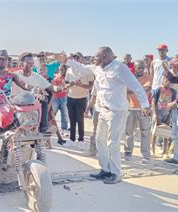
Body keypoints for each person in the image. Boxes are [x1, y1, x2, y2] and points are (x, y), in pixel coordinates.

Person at [60, 47, 150, 184]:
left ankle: (116, 173)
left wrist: (145, 105)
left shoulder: (120, 68)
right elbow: (83, 68)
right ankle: (105, 169)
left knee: (112, 142)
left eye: (96, 56)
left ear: (105, 56)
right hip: (102, 110)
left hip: (117, 111)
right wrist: (67, 60)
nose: (93, 59)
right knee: (99, 140)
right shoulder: (98, 68)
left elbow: (136, 86)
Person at [0, 49, 37, 166]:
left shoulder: (12, 75)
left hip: (6, 104)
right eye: (0, 59)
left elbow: (23, 84)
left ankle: (19, 148)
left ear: (7, 61)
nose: (2, 61)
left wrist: (34, 88)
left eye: (4, 59)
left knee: (21, 121)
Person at [11, 52, 63, 134]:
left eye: (32, 63)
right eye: (28, 63)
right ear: (20, 63)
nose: (31, 65)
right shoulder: (14, 76)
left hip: (31, 104)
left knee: (44, 98)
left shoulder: (36, 77)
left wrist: (60, 88)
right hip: (16, 105)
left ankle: (44, 127)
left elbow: (51, 87)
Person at [124, 60, 153, 163]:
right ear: (134, 68)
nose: (140, 70)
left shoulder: (148, 77)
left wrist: (134, 89)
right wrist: (138, 89)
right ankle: (128, 152)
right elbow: (125, 90)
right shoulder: (129, 78)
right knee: (129, 132)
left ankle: (146, 155)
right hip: (130, 108)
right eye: (138, 68)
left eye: (142, 68)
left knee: (145, 132)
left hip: (143, 108)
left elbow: (147, 88)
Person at [64, 52, 95, 150]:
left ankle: (81, 140)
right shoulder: (69, 70)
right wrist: (68, 86)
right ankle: (72, 140)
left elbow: (91, 86)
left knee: (80, 121)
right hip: (70, 98)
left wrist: (81, 85)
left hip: (81, 99)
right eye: (74, 57)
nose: (76, 59)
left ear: (82, 59)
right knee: (72, 120)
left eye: (78, 57)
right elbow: (66, 82)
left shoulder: (87, 70)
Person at [151, 77, 177, 157]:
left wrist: (169, 116)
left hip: (167, 113)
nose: (166, 82)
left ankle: (165, 151)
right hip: (158, 113)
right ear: (162, 80)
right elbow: (154, 103)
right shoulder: (158, 90)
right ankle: (153, 150)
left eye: (168, 80)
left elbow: (173, 105)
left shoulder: (173, 92)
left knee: (166, 132)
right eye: (165, 80)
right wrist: (155, 115)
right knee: (155, 132)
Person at [51, 65, 69, 145]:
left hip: (64, 97)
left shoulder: (67, 77)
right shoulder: (56, 77)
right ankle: (51, 129)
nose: (61, 70)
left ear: (65, 70)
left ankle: (64, 129)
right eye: (60, 69)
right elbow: (54, 86)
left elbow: (67, 87)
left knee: (64, 114)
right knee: (53, 114)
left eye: (62, 69)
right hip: (56, 97)